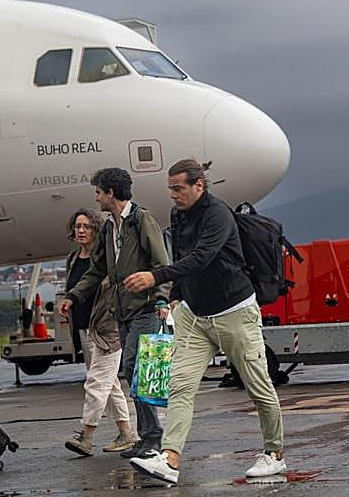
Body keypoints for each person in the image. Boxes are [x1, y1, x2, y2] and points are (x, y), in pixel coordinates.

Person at [124, 158, 287, 485]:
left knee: (258, 386)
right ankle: (170, 459)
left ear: (200, 185)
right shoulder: (178, 213)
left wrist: (154, 276)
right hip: (195, 316)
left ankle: (274, 454)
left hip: (234, 312)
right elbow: (183, 256)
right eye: (170, 189)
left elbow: (203, 257)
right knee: (180, 385)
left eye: (179, 188)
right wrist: (175, 295)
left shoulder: (218, 214)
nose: (173, 195)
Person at [60, 167, 170, 459]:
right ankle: (144, 437)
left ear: (110, 193)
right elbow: (97, 269)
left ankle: (151, 438)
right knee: (132, 373)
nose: (96, 198)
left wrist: (161, 299)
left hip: (145, 308)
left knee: (136, 370)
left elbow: (161, 262)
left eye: (98, 192)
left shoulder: (141, 220)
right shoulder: (111, 227)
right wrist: (74, 295)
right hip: (122, 311)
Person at [62, 207, 137, 457]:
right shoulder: (73, 259)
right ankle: (127, 433)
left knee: (96, 383)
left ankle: (86, 435)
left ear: (96, 230)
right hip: (84, 331)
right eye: (77, 226)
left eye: (86, 226)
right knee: (109, 384)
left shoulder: (106, 260)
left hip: (107, 329)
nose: (81, 230)